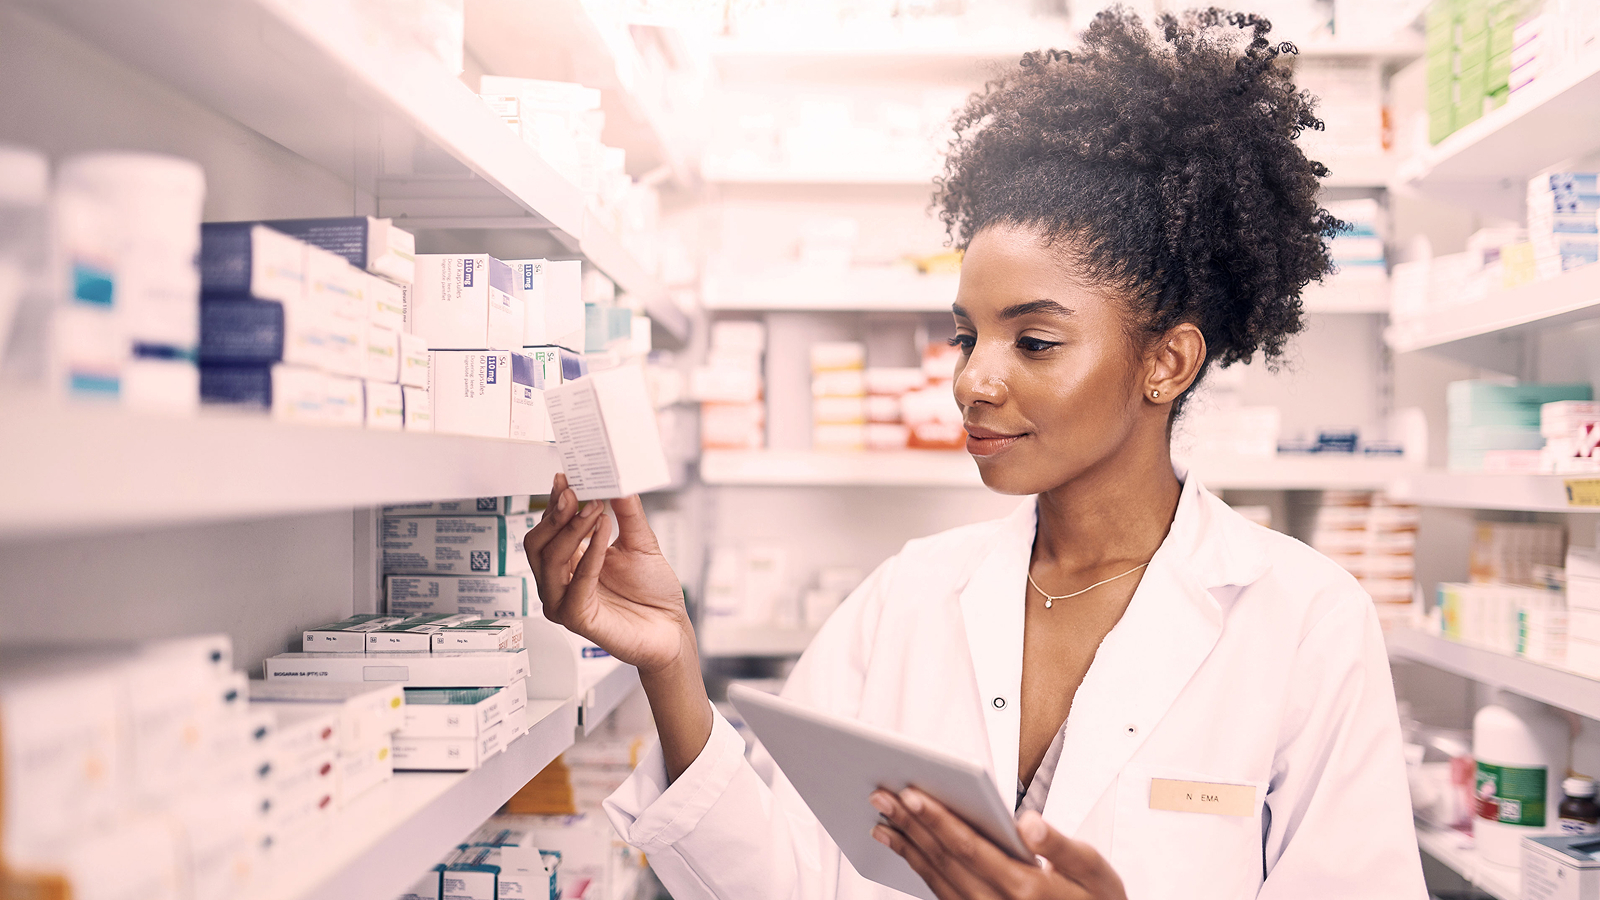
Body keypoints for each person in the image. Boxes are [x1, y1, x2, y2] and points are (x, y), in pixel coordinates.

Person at [523, 8, 1427, 900]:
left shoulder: (1304, 623)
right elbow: (785, 880)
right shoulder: (907, 598)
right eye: (966, 338)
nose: (972, 382)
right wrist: (671, 663)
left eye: (1034, 343)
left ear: (1167, 361)